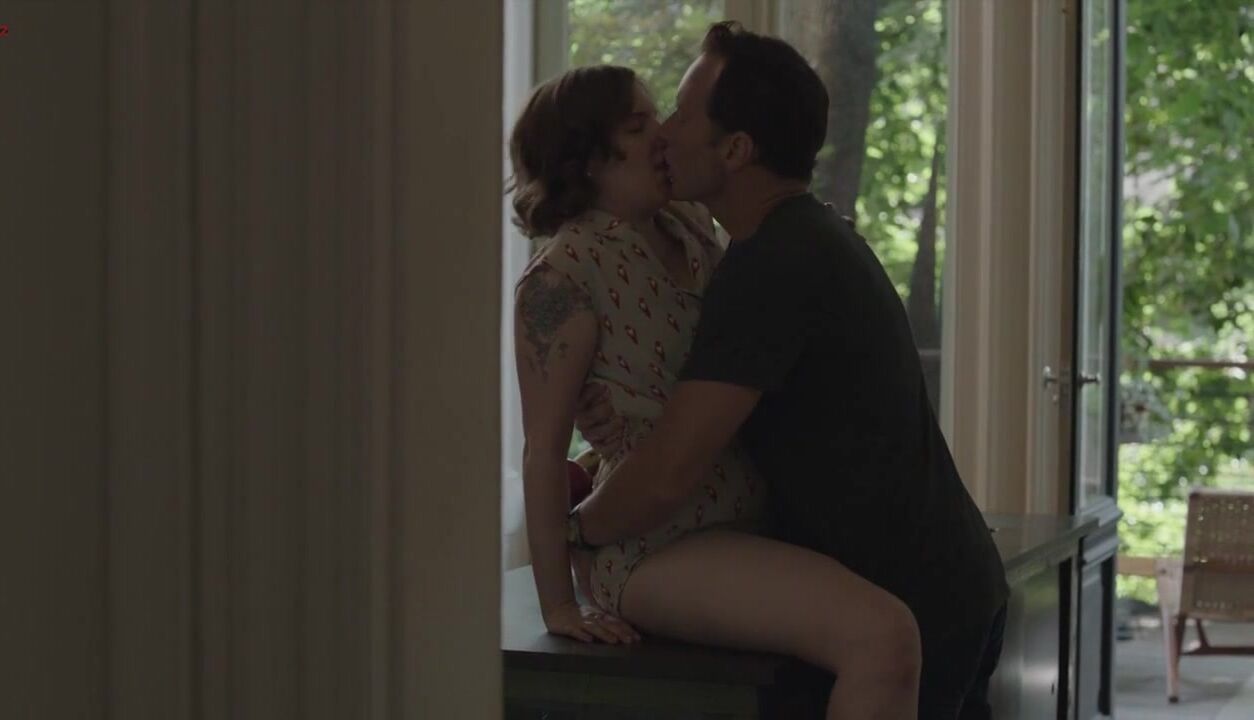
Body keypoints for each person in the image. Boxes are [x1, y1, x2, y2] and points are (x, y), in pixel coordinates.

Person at [571, 22, 1010, 720]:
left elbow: (668, 474)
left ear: (736, 150)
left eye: (681, 113)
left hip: (914, 608)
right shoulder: (805, 236)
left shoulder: (771, 267)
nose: (664, 133)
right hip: (950, 586)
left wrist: (575, 533)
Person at [509, 63, 922, 720]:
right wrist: (559, 603)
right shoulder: (562, 277)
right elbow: (542, 449)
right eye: (639, 125)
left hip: (749, 517)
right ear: (586, 158)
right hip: (657, 542)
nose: (662, 135)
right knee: (883, 637)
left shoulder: (689, 226)